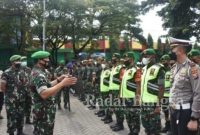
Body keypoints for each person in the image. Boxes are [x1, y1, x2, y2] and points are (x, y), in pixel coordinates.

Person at [30, 51, 77, 135]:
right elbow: (44, 93)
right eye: (46, 59)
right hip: (42, 113)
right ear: (39, 60)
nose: (48, 61)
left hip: (45, 112)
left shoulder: (41, 72)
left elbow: (48, 85)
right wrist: (62, 83)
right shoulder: (38, 74)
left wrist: (59, 79)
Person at [168, 37, 200, 135]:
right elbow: (174, 89)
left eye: (172, 49)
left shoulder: (192, 68)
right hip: (174, 111)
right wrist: (171, 110)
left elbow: (198, 93)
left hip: (185, 113)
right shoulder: (174, 68)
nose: (170, 52)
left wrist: (194, 118)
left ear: (180, 50)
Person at [140, 48, 165, 135]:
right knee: (146, 126)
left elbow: (161, 87)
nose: (145, 57)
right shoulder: (144, 69)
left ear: (153, 56)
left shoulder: (159, 69)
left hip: (153, 104)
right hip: (143, 103)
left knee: (155, 128)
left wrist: (158, 105)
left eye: (147, 56)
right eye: (144, 56)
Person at [1, 55, 27, 135]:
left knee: (21, 115)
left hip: (21, 99)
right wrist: (9, 95)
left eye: (20, 60)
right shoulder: (6, 72)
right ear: (13, 62)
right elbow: (2, 86)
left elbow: (24, 83)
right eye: (18, 61)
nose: (20, 62)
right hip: (11, 100)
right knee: (11, 117)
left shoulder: (21, 71)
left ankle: (20, 131)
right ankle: (11, 132)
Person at [119, 52, 141, 135]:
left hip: (132, 98)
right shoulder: (125, 69)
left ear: (131, 59)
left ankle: (135, 132)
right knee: (128, 116)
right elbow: (122, 83)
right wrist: (120, 95)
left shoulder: (136, 69)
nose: (124, 60)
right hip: (125, 97)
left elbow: (138, 85)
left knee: (134, 117)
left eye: (126, 58)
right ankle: (131, 131)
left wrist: (137, 99)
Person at [160, 54, 171, 134]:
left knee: (171, 113)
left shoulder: (172, 70)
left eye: (165, 60)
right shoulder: (162, 71)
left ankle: (171, 128)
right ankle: (167, 126)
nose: (164, 62)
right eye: (163, 61)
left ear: (169, 61)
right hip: (164, 96)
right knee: (165, 112)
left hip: (171, 96)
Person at [20, 56, 32, 124]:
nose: (25, 61)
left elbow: (31, 79)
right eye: (23, 60)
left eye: (25, 60)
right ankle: (21, 121)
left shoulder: (29, 69)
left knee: (29, 106)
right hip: (21, 92)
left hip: (28, 91)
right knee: (21, 107)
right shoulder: (18, 69)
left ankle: (28, 119)